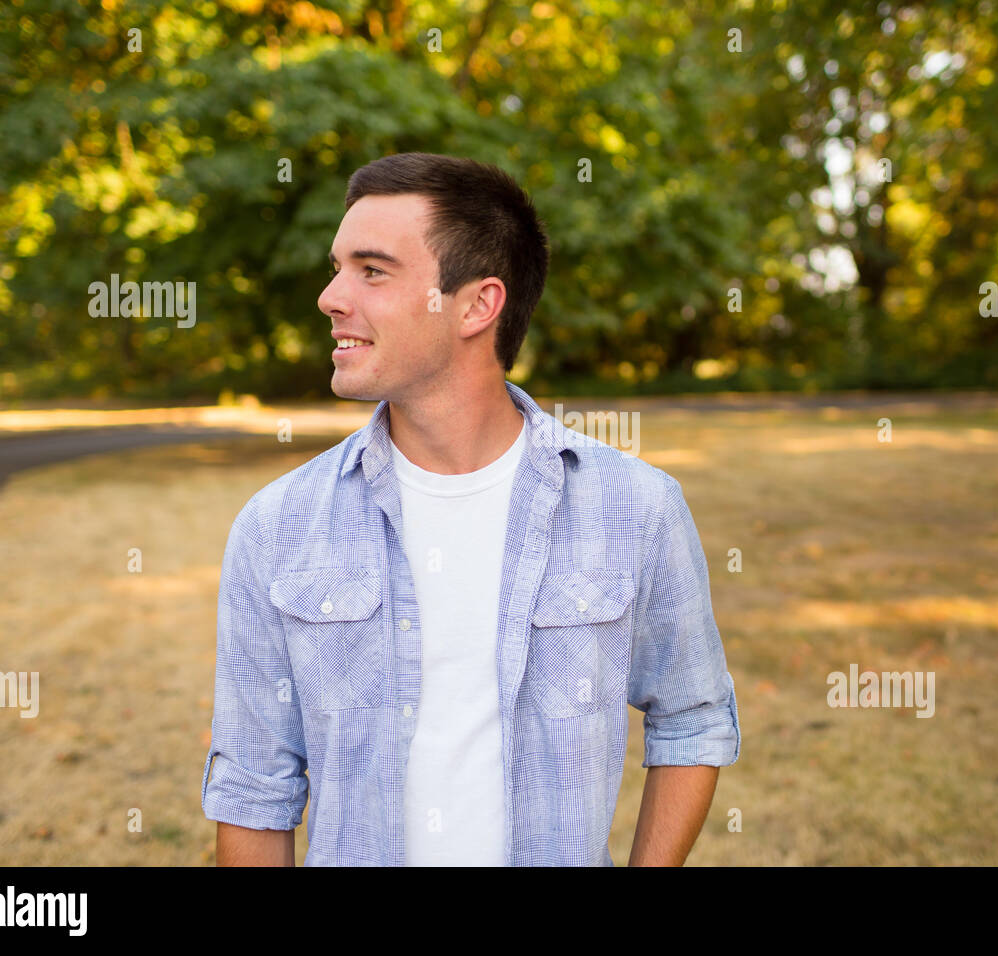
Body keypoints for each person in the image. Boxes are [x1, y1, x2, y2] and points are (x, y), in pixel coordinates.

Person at [200, 152, 740, 866]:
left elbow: (692, 717)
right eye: (337, 268)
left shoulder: (635, 508)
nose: (331, 297)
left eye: (372, 270)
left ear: (477, 305)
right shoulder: (276, 528)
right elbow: (252, 787)